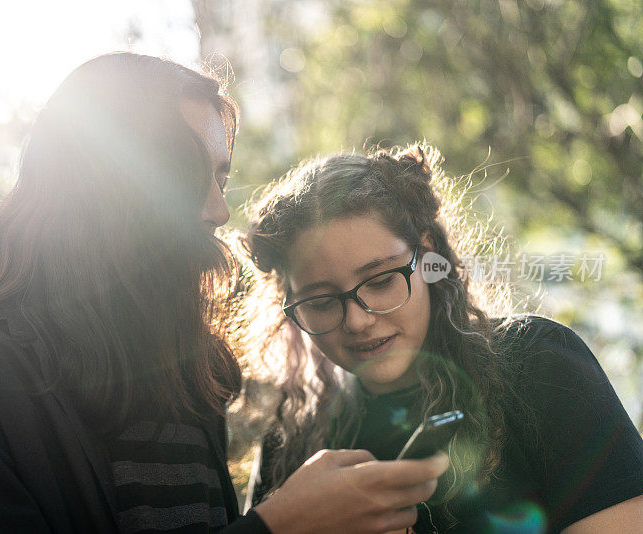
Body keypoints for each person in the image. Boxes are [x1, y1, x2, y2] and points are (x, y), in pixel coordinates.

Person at [0, 53, 449, 533]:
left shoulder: (184, 387)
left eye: (222, 179)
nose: (218, 210)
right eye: (185, 176)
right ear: (101, 188)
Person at [242, 144, 643, 533]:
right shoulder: (290, 441)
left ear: (429, 258)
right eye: (322, 301)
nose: (358, 321)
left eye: (381, 281)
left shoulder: (539, 365)